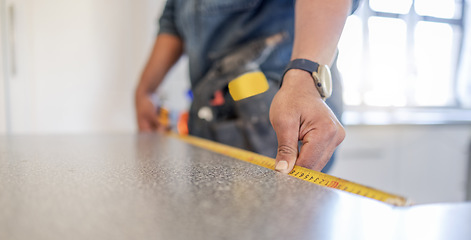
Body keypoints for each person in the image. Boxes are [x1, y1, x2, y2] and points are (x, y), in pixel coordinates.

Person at [135, 0, 360, 174]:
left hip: (279, 116)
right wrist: (146, 91)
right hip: (210, 124)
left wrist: (304, 77)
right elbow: (173, 21)